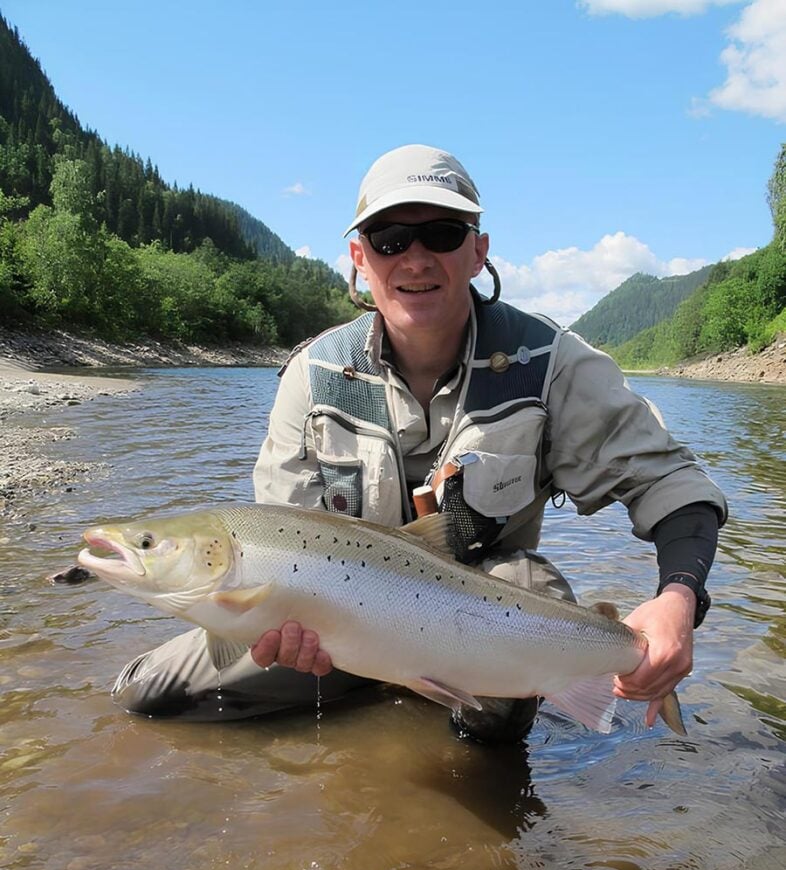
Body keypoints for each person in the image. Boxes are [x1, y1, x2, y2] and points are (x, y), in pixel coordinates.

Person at [113, 144, 727, 742]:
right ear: (359, 256)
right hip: (342, 625)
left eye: (441, 233)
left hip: (481, 617)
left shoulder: (549, 363)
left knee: (517, 646)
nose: (415, 259)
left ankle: (457, 718)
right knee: (148, 695)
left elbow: (671, 483)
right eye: (389, 240)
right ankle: (384, 694)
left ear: (478, 251)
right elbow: (277, 533)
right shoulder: (313, 376)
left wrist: (678, 598)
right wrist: (272, 628)